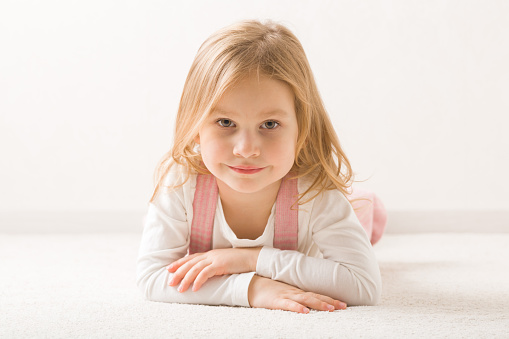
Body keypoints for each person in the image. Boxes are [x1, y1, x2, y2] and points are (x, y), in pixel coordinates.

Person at [136, 19, 385, 314]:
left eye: (269, 124)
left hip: (331, 215)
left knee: (363, 211)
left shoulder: (313, 188)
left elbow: (365, 285)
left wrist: (251, 259)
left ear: (301, 127)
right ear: (195, 124)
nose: (246, 150)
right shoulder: (181, 181)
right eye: (226, 122)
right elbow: (152, 278)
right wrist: (253, 288)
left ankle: (364, 210)